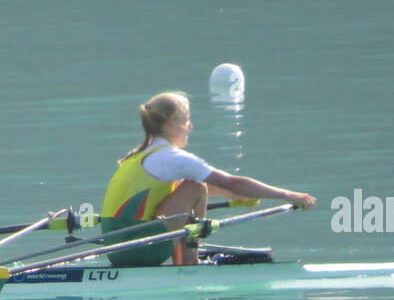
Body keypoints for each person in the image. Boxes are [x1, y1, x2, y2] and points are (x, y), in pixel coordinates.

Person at [100, 92, 316, 266]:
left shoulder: (140, 155)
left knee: (195, 187)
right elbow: (233, 182)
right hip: (141, 250)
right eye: (186, 120)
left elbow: (184, 190)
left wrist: (234, 196)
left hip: (117, 250)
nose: (190, 126)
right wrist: (290, 195)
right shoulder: (171, 157)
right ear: (168, 124)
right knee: (195, 187)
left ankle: (182, 260)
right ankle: (189, 262)